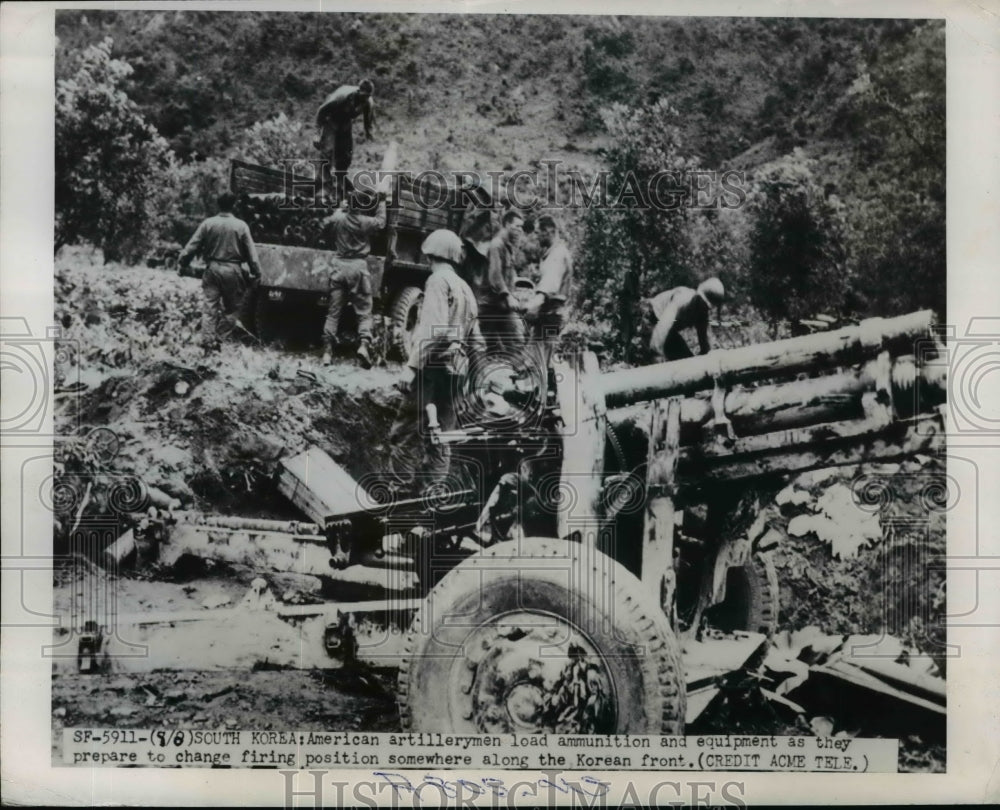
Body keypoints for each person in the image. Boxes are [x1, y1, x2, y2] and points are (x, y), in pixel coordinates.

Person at [387, 229, 485, 496]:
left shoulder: (437, 281)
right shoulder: (466, 288)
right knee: (441, 437)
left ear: (430, 252)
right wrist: (475, 381)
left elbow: (435, 328)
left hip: (431, 369)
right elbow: (477, 341)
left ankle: (398, 497)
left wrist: (411, 367)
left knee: (406, 433)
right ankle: (433, 495)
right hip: (456, 373)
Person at [177, 192, 261, 353]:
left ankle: (207, 344)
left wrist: (182, 264)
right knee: (233, 309)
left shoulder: (208, 223)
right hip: (233, 270)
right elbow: (252, 254)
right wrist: (256, 273)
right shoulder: (241, 226)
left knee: (209, 308)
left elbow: (191, 247)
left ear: (218, 205)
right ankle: (220, 339)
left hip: (212, 269)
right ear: (234, 206)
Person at [320, 186, 387, 368]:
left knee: (333, 313)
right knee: (364, 312)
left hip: (339, 267)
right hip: (358, 268)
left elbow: (325, 222)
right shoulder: (365, 222)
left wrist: (340, 209)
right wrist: (381, 202)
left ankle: (327, 353)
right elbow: (381, 223)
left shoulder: (339, 219)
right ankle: (364, 346)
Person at [523, 215, 573, 378]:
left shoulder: (557, 255)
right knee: (536, 361)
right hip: (547, 316)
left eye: (538, 232)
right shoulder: (552, 253)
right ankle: (540, 396)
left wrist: (532, 304)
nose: (536, 236)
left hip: (551, 315)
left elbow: (548, 286)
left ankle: (541, 399)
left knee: (540, 364)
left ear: (549, 231)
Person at [315, 80, 375, 198]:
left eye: (368, 96)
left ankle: (340, 184)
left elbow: (368, 119)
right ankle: (325, 185)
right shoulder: (341, 97)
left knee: (346, 155)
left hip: (346, 124)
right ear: (358, 91)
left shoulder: (368, 102)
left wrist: (368, 132)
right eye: (363, 96)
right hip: (331, 121)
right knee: (327, 152)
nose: (365, 99)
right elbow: (321, 111)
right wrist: (316, 134)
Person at [479, 210, 526, 351]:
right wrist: (508, 296)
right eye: (517, 226)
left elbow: (508, 277)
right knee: (479, 347)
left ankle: (521, 371)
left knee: (517, 341)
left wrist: (513, 295)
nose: (520, 230)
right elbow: (495, 276)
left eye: (521, 227)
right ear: (506, 224)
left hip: (503, 307)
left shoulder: (509, 247)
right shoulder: (496, 245)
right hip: (489, 307)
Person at [647, 277, 726, 361]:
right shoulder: (683, 298)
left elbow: (704, 341)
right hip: (649, 319)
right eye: (702, 301)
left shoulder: (702, 312)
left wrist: (706, 360)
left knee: (687, 361)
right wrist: (656, 354)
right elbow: (663, 325)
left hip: (668, 331)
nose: (703, 306)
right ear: (698, 294)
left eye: (706, 306)